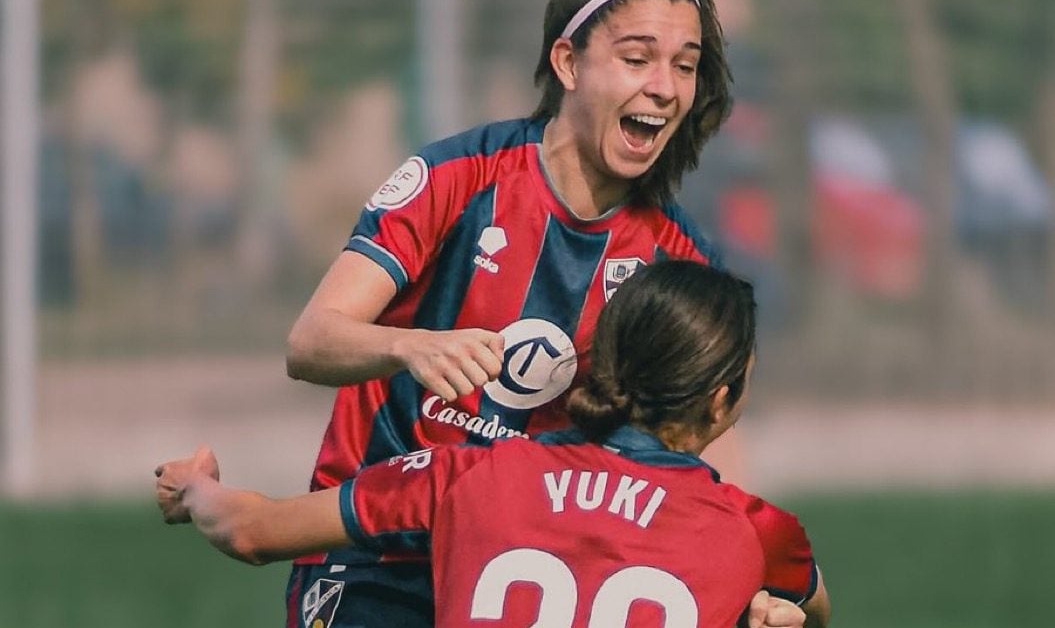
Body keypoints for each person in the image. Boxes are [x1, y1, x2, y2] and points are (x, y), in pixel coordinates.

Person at [282, 0, 769, 626]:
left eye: (686, 65)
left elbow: (708, 442)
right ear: (568, 64)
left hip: (520, 573)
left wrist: (751, 580)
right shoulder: (458, 178)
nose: (664, 87)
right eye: (637, 58)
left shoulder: (676, 259)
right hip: (374, 557)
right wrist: (411, 346)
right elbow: (311, 342)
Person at [158, 261, 830, 627]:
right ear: (722, 397)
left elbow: (251, 531)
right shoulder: (756, 531)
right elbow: (813, 611)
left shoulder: (469, 473)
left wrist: (195, 486)